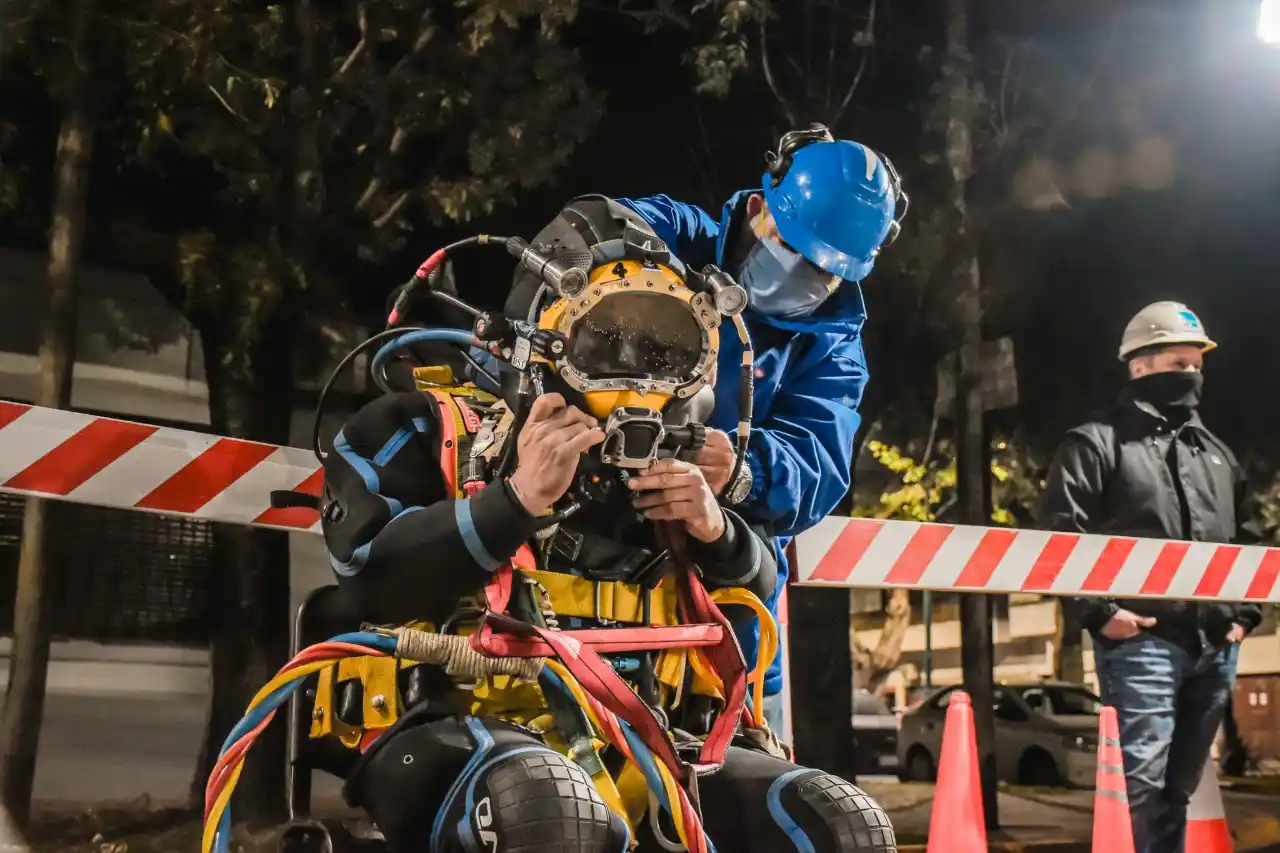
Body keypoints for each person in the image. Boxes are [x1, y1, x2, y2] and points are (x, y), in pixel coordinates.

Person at [316, 201, 898, 852]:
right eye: (606, 339)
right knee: (554, 816)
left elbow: (752, 606)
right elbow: (367, 583)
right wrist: (513, 500)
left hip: (652, 739)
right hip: (463, 728)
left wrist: (719, 528)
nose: (637, 373)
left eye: (662, 347)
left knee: (843, 824)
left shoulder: (672, 474)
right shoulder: (429, 431)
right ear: (544, 335)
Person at [616, 124, 909, 734]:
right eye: (791, 246)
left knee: (730, 797)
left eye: (825, 270)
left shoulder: (833, 345)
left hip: (724, 632)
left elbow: (820, 461)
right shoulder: (677, 237)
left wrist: (745, 468)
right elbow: (591, 231)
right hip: (593, 585)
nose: (801, 274)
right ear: (758, 206)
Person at [1039, 300, 1262, 853]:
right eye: (1177, 364)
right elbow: (1060, 538)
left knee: (1178, 790)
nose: (1191, 376)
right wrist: (1100, 614)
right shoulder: (1095, 445)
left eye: (1196, 365)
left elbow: (1252, 541)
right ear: (1138, 366)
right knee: (1140, 788)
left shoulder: (1216, 455)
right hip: (1141, 645)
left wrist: (1244, 618)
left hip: (1215, 646)